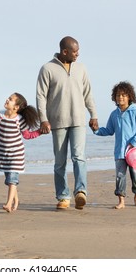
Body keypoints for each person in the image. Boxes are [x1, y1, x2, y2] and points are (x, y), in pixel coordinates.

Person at [36, 36, 98, 210]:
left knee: (79, 156)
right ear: (65, 52)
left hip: (79, 120)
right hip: (58, 121)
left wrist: (93, 114)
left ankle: (81, 192)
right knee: (60, 161)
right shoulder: (47, 68)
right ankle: (63, 196)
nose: (78, 54)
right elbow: (41, 96)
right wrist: (43, 119)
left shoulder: (81, 68)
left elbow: (88, 93)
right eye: (75, 52)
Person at [94, 81, 136, 209]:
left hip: (134, 151)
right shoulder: (114, 114)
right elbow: (109, 130)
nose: (121, 97)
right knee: (120, 176)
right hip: (119, 151)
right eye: (118, 95)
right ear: (115, 97)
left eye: (124, 95)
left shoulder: (135, 112)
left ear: (129, 96)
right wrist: (96, 130)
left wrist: (134, 141)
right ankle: (121, 201)